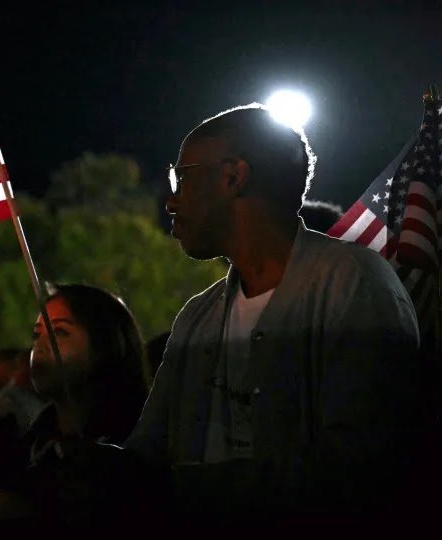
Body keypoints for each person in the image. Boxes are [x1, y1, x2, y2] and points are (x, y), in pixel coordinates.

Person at [125, 104, 420, 524]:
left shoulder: (352, 284)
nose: (171, 201)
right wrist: (96, 468)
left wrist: (180, 487)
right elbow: (146, 453)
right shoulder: (196, 316)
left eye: (182, 177)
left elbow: (362, 469)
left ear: (233, 176)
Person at [0, 284, 156, 531]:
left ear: (107, 346)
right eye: (36, 334)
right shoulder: (27, 448)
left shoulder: (135, 447)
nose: (40, 345)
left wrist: (35, 516)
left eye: (59, 332)